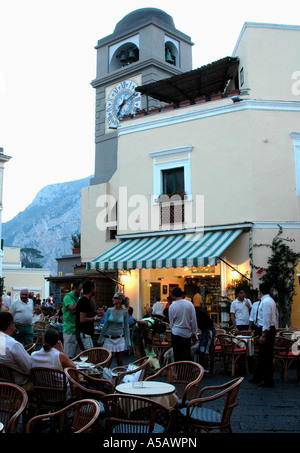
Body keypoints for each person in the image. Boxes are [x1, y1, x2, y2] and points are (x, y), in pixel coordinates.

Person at [249, 282, 276, 387]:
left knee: (266, 356)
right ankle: (259, 377)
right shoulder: (270, 301)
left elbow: (266, 319)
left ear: (260, 290)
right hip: (268, 329)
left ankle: (267, 380)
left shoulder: (265, 302)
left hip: (266, 330)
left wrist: (263, 334)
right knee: (262, 355)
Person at [0, 312, 32, 389]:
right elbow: (29, 368)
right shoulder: (13, 344)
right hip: (16, 385)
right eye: (14, 324)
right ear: (10, 325)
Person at [99, 292, 131, 366]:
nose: (113, 299)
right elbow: (105, 325)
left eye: (115, 298)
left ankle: (119, 376)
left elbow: (126, 327)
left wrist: (128, 342)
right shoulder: (109, 310)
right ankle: (106, 376)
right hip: (109, 338)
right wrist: (100, 339)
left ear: (120, 300)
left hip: (120, 338)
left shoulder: (125, 312)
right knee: (107, 361)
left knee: (120, 361)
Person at [168, 286, 198, 362]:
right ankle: (186, 372)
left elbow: (171, 322)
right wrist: (194, 333)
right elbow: (193, 320)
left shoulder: (172, 306)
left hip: (176, 333)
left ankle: (179, 372)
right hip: (187, 333)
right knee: (187, 355)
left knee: (177, 356)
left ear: (173, 295)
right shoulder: (189, 304)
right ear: (181, 294)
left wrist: (172, 330)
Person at [76, 279, 101, 351]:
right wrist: (95, 319)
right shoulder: (84, 301)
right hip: (85, 334)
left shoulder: (87, 300)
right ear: (92, 289)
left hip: (86, 333)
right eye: (95, 288)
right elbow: (82, 319)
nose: (96, 290)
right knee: (90, 355)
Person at [62, 280, 82, 358]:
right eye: (80, 289)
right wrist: (80, 298)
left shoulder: (78, 298)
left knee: (79, 356)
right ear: (74, 288)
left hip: (78, 329)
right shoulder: (68, 297)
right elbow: (72, 309)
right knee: (69, 355)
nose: (81, 291)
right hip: (69, 330)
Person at [195, 307, 216, 373]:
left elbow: (206, 325)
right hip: (206, 331)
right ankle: (203, 367)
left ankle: (205, 368)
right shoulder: (199, 314)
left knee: (204, 349)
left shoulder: (198, 316)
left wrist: (209, 333)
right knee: (202, 349)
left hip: (207, 332)